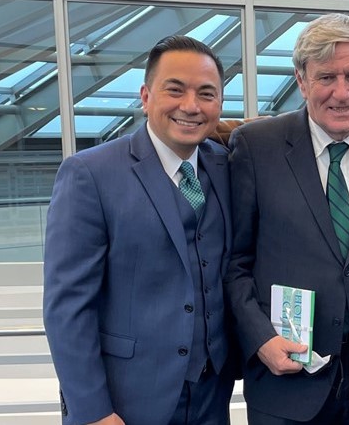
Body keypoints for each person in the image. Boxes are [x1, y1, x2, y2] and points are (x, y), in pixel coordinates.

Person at [224, 13, 349, 424]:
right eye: (325, 78)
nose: (342, 93)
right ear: (301, 81)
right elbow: (234, 263)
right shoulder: (255, 148)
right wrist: (260, 339)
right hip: (285, 376)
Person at [43, 36, 235, 425]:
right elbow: (67, 307)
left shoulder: (228, 166)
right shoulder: (90, 174)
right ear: (145, 96)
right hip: (126, 402)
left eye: (206, 94)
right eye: (175, 90)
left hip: (211, 398)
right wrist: (93, 410)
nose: (191, 106)